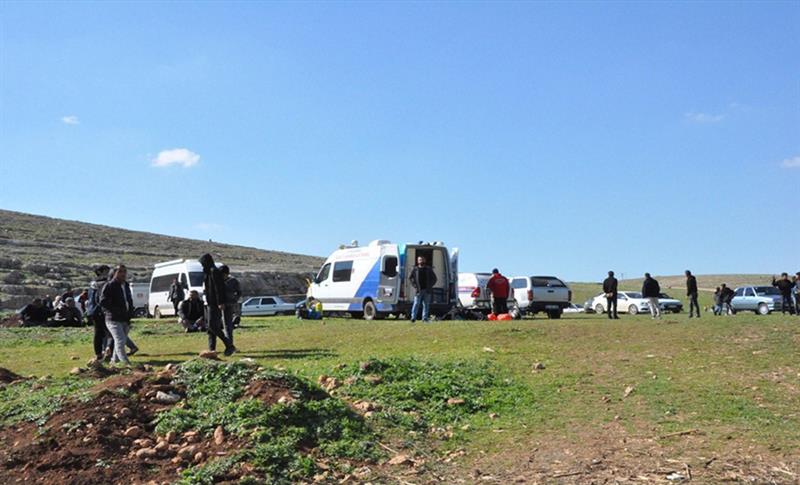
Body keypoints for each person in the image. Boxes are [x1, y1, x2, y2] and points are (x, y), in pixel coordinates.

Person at [99, 265, 138, 365]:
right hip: (113, 319)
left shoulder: (126, 286)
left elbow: (128, 301)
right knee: (120, 340)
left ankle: (113, 362)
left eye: (124, 271)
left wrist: (130, 313)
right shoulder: (109, 286)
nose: (123, 274)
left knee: (120, 341)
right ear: (114, 273)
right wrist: (114, 311)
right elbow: (103, 302)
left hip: (125, 318)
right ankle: (126, 363)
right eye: (120, 271)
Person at [199, 253, 236, 356]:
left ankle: (229, 345)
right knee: (210, 328)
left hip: (215, 303)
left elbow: (218, 288)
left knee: (213, 326)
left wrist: (221, 302)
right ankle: (212, 350)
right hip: (209, 303)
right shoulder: (207, 272)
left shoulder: (214, 271)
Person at [87, 265, 112, 362]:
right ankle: (108, 351)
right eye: (107, 271)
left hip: (93, 311)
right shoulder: (105, 283)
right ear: (101, 272)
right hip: (102, 310)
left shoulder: (92, 284)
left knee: (98, 333)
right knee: (110, 332)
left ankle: (99, 354)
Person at [408, 255, 437, 323]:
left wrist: (430, 286)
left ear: (425, 261)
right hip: (418, 290)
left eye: (422, 260)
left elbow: (434, 279)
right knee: (416, 304)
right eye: (420, 260)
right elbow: (410, 278)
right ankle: (413, 318)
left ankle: (425, 318)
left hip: (427, 290)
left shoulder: (428, 269)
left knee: (426, 304)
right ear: (417, 261)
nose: (421, 261)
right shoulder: (415, 269)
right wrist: (415, 286)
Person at [221, 265, 241, 343]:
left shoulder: (233, 281)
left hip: (229, 305)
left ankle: (229, 343)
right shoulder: (218, 281)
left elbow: (239, 292)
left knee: (227, 325)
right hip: (218, 305)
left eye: (223, 274)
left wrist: (234, 300)